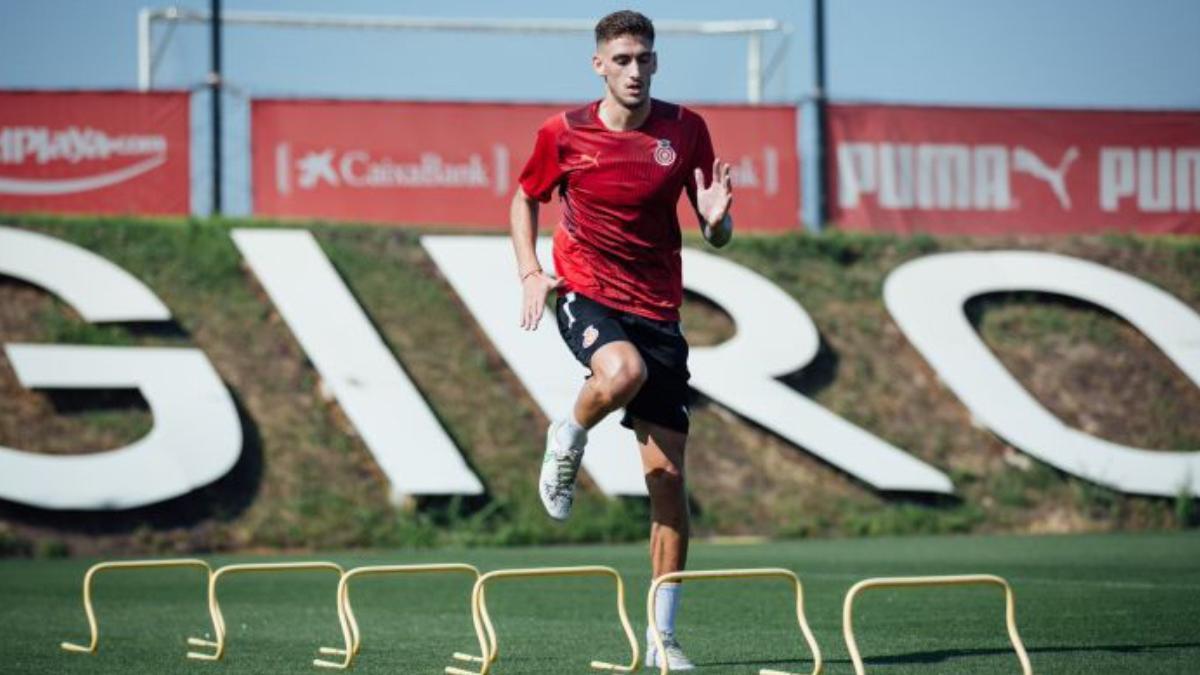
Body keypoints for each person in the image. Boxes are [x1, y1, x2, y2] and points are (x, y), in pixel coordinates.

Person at [508, 9, 733, 671]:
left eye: (646, 58)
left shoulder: (685, 130)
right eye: (623, 59)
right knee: (621, 372)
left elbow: (714, 224)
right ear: (599, 65)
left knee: (667, 479)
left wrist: (718, 224)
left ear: (656, 63)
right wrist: (529, 271)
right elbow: (524, 197)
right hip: (585, 290)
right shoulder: (563, 133)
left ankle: (663, 637)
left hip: (659, 307)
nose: (636, 71)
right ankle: (568, 433)